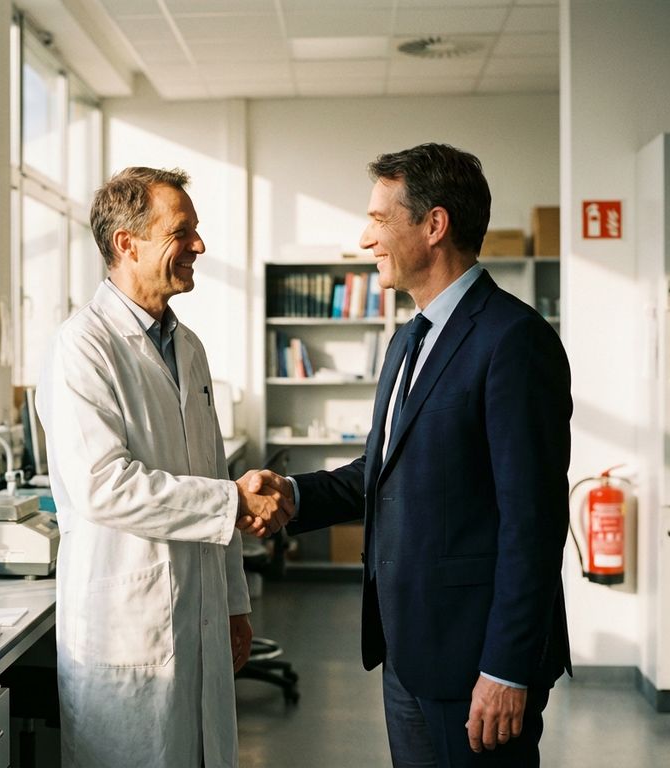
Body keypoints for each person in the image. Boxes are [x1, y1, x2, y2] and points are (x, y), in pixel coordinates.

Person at [247, 143, 572, 767]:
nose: (366, 239)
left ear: (434, 225)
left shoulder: (513, 340)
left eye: (378, 219)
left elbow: (532, 523)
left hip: (479, 661)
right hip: (408, 649)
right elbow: (383, 471)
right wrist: (293, 497)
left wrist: (506, 667)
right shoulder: (408, 340)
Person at [37, 166, 293, 768]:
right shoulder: (82, 345)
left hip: (200, 613)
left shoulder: (190, 347)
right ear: (128, 243)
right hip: (127, 628)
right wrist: (233, 500)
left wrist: (235, 603)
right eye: (183, 231)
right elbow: (104, 486)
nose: (199, 246)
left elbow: (207, 474)